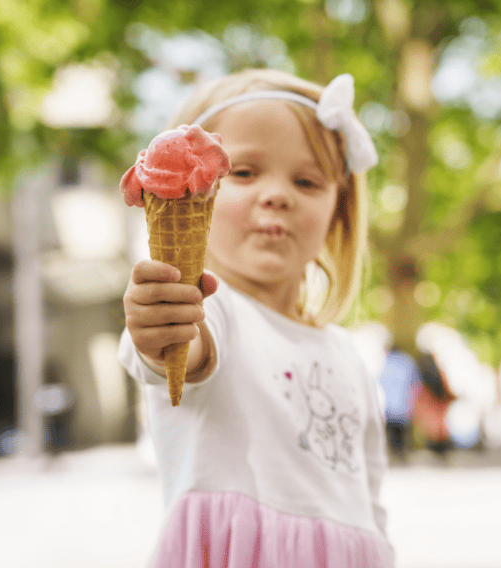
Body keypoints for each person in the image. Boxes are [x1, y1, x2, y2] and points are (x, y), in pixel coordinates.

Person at [118, 69, 394, 567]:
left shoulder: (346, 353)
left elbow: (370, 497)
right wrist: (159, 327)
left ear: (340, 209)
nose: (277, 194)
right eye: (243, 173)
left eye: (307, 181)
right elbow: (182, 350)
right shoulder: (214, 310)